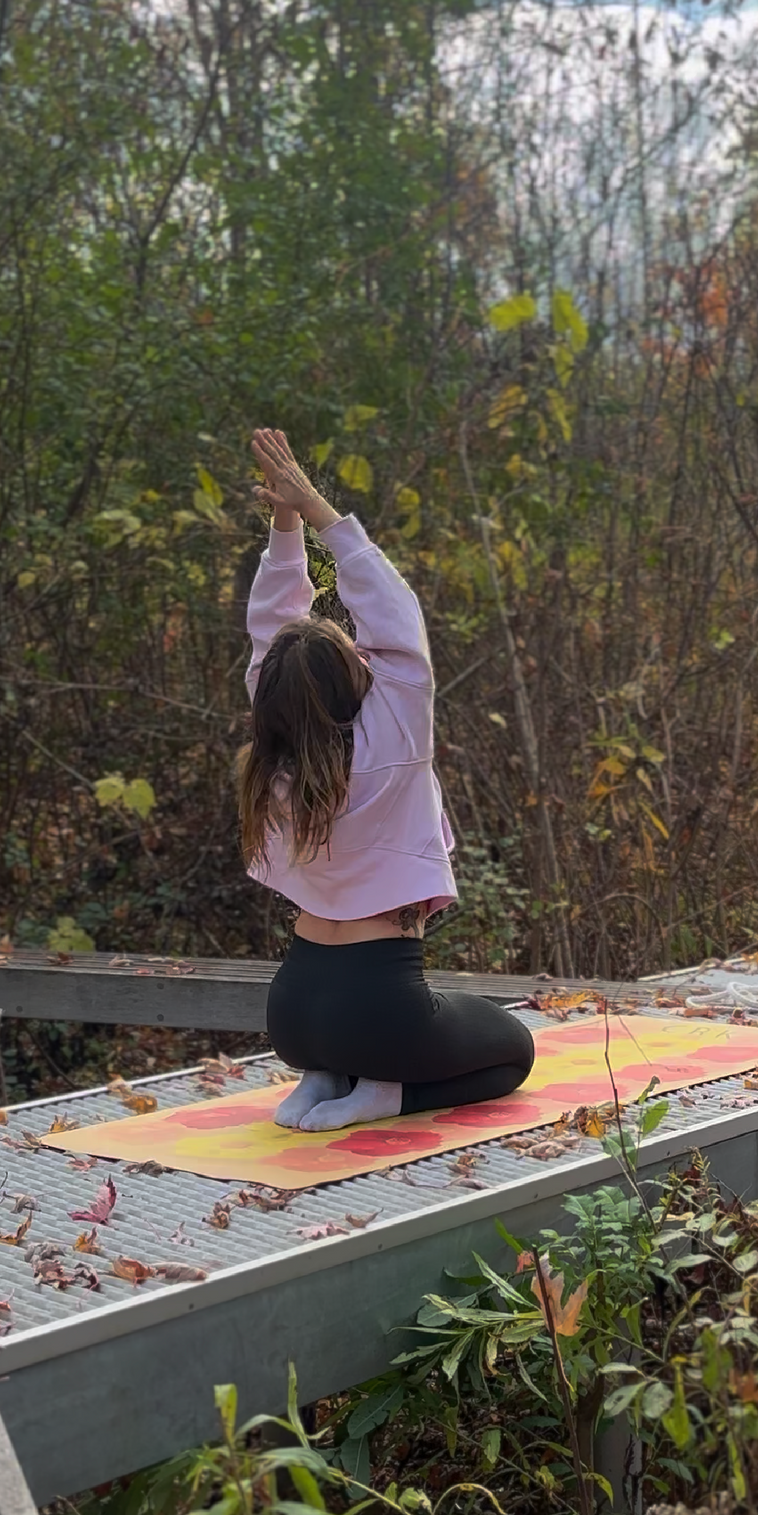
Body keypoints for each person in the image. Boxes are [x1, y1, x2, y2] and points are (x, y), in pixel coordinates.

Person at [238, 425, 537, 1131]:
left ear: (272, 693)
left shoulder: (273, 750)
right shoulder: (393, 735)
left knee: (372, 1037)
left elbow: (271, 634)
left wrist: (285, 526)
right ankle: (382, 1092)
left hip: (293, 1011)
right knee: (513, 1052)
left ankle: (320, 1078)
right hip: (379, 1011)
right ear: (355, 675)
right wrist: (314, 509)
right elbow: (397, 617)